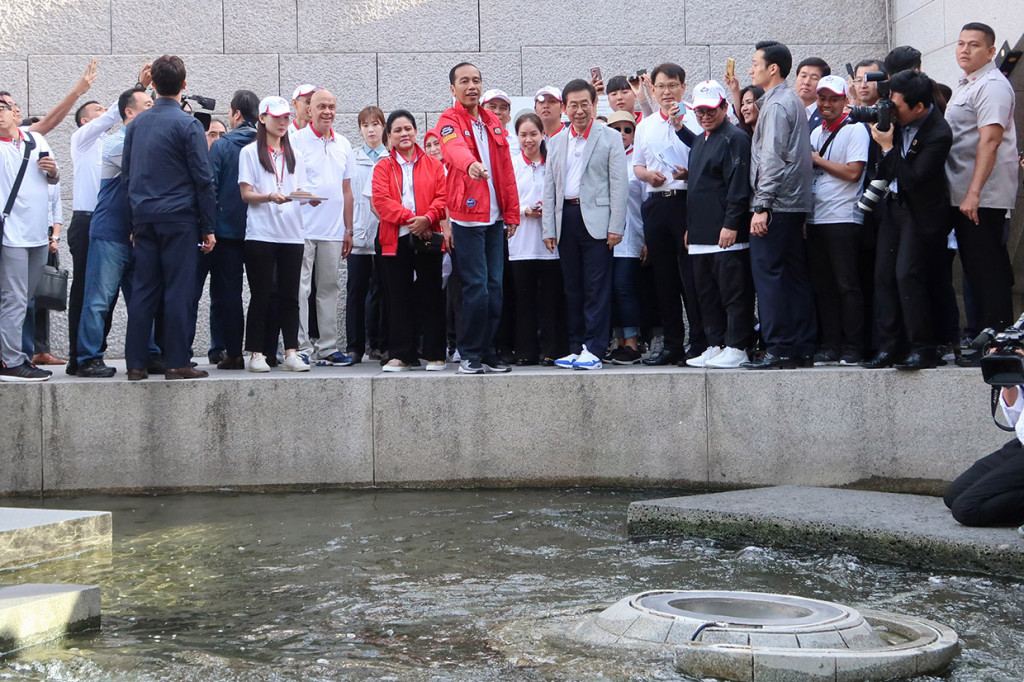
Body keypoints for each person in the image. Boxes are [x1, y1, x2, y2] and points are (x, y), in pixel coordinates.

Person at [121, 55, 216, 381]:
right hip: (179, 219)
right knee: (178, 290)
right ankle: (176, 361)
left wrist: (132, 223)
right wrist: (208, 227)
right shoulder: (188, 124)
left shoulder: (136, 125)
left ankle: (135, 364)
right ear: (184, 85)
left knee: (143, 290)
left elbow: (127, 177)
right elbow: (203, 179)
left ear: (154, 84)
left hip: (145, 218)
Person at [65, 62, 152, 375]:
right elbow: (123, 111)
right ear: (88, 120)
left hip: (120, 224)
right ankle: (81, 357)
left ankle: (91, 354)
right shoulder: (84, 139)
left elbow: (131, 114)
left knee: (110, 297)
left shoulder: (115, 142)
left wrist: (142, 91)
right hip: (91, 221)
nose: (105, 113)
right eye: (98, 111)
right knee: (91, 294)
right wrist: (137, 90)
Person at [862, 70, 952, 370]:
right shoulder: (895, 122)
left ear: (919, 106)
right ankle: (890, 347)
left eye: (897, 106)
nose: (891, 111)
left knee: (907, 276)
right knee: (883, 277)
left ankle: (922, 347)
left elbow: (913, 180)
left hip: (921, 212)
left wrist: (887, 146)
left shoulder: (939, 133)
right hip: (893, 207)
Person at [437, 62, 520, 375]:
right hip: (468, 218)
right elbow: (453, 149)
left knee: (495, 287)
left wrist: (511, 212)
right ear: (453, 89)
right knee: (477, 288)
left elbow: (506, 171)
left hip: (495, 219)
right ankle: (469, 353)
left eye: (476, 80)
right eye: (464, 81)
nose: (471, 86)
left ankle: (487, 351)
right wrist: (470, 164)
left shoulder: (491, 121)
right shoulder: (449, 120)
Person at [946, 22, 1020, 360]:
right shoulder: (967, 85)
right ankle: (989, 338)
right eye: (961, 43)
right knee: (977, 269)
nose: (964, 50)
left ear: (991, 52)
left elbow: (989, 141)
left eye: (974, 45)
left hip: (981, 196)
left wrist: (974, 192)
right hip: (962, 194)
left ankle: (999, 343)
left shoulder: (992, 85)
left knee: (987, 268)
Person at [542, 79, 627, 371]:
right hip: (566, 218)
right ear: (564, 108)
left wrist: (616, 225)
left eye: (585, 104)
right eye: (573, 105)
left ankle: (595, 348)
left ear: (594, 104)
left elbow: (619, 184)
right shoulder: (555, 141)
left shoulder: (609, 137)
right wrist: (548, 228)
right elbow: (550, 187)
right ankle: (576, 346)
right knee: (572, 288)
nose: (579, 111)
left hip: (598, 222)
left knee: (596, 287)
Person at [742, 40, 817, 369]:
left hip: (776, 205)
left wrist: (761, 205)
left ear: (773, 68)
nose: (751, 69)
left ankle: (777, 347)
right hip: (793, 204)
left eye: (756, 63)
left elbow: (772, 159)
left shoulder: (775, 105)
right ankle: (800, 346)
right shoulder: (790, 101)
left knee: (769, 276)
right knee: (793, 276)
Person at [632, 61, 706, 366]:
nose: (666, 91)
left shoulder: (696, 117)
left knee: (692, 276)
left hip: (686, 202)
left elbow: (707, 159)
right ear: (653, 89)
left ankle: (700, 343)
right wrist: (649, 176)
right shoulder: (645, 124)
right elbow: (637, 165)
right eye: (660, 86)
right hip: (655, 204)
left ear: (683, 87)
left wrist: (689, 173)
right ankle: (673, 344)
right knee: (663, 278)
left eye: (672, 85)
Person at [238, 96, 314, 373]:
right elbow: (246, 194)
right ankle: (257, 352)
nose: (283, 122)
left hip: (292, 233)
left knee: (290, 295)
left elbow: (301, 190)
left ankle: (291, 351)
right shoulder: (249, 152)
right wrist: (269, 196)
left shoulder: (295, 154)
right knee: (262, 294)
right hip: (261, 233)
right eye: (277, 117)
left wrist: (311, 198)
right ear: (262, 118)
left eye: (286, 118)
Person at [681, 81, 754, 369]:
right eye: (699, 110)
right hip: (700, 232)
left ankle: (738, 346)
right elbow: (696, 187)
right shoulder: (700, 139)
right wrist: (690, 226)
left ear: (724, 107)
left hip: (726, 232)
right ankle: (716, 343)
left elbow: (738, 185)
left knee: (733, 292)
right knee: (706, 293)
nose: (704, 115)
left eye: (711, 109)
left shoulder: (735, 138)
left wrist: (732, 222)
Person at [370, 110, 448, 372]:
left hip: (427, 236)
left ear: (416, 131)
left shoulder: (435, 165)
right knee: (398, 296)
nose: (404, 134)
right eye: (397, 130)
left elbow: (443, 197)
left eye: (408, 129)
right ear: (389, 137)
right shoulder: (383, 166)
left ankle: (435, 353)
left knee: (431, 294)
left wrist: (427, 218)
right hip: (395, 238)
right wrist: (413, 219)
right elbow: (381, 202)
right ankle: (403, 354)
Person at [805, 75, 869, 366]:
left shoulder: (855, 130)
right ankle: (830, 344)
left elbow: (854, 172)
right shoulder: (815, 131)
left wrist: (818, 160)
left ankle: (853, 346)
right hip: (817, 218)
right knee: (823, 286)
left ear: (845, 101)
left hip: (843, 217)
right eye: (822, 98)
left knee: (847, 284)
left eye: (833, 98)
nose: (826, 104)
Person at [291, 88, 356, 367]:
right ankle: (301, 346)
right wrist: (307, 197)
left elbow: (347, 190)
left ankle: (327, 346)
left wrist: (349, 229)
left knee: (330, 287)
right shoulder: (294, 140)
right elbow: (287, 185)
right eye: (321, 106)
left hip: (333, 230)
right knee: (300, 289)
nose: (327, 111)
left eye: (331, 106)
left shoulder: (343, 143)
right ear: (309, 110)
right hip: (301, 228)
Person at [0, 96, 60, 381]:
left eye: (1, 110)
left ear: (14, 113)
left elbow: (53, 181)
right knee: (13, 299)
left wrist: (53, 173)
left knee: (25, 300)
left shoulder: (34, 141)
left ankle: (16, 357)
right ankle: (10, 362)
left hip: (37, 235)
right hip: (10, 236)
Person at [201, 89, 259, 370]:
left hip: (227, 233)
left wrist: (208, 226)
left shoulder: (222, 146)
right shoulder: (267, 144)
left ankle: (233, 352)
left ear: (236, 114)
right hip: (263, 232)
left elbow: (210, 187)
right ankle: (264, 351)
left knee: (229, 293)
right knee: (264, 293)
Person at [508, 113, 566, 366]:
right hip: (520, 245)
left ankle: (553, 349)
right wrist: (524, 211)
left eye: (534, 134)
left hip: (549, 244)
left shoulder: (553, 163)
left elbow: (564, 194)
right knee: (523, 301)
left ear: (543, 134)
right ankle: (525, 351)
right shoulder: (511, 165)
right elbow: (505, 202)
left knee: (552, 300)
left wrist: (548, 209)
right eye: (523, 135)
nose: (529, 140)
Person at [945, 380, 1024, 527]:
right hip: (1020, 444)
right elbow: (1017, 420)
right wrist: (1009, 381)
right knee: (953, 495)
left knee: (966, 509)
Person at [346, 106, 387, 363]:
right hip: (358, 235)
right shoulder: (351, 157)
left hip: (385, 235)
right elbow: (347, 197)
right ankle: (355, 347)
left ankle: (381, 344)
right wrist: (347, 230)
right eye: (365, 125)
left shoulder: (391, 158)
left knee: (384, 292)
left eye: (375, 124)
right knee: (356, 291)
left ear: (383, 127)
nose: (370, 130)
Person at [606, 111, 646, 365]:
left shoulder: (638, 162)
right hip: (604, 238)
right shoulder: (602, 159)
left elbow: (647, 202)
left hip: (632, 235)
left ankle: (632, 343)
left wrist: (648, 240)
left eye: (627, 129)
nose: (622, 134)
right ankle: (619, 342)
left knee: (624, 287)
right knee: (610, 289)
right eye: (616, 129)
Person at [25, 182, 63, 366]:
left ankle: (41, 350)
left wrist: (55, 238)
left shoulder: (51, 175)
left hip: (47, 236)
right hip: (23, 234)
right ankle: (21, 349)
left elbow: (57, 208)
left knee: (42, 296)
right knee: (20, 296)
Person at [794, 57, 830, 130]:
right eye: (803, 76)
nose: (806, 82)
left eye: (814, 78)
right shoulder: (786, 110)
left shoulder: (827, 116)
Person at [483, 89, 519, 156]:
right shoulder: (475, 138)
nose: (497, 112)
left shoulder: (517, 143)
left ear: (509, 117)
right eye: (492, 107)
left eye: (503, 108)